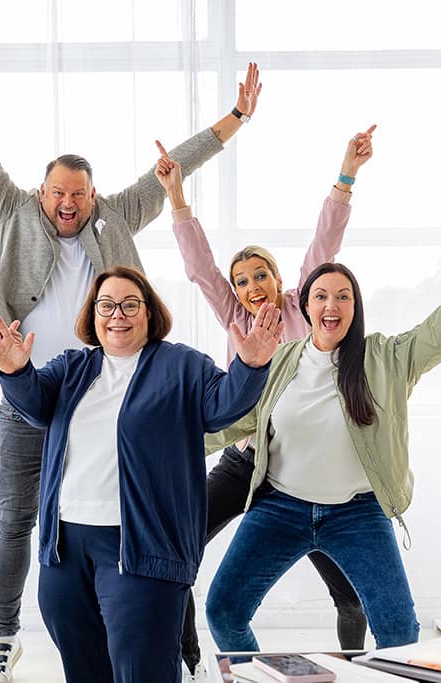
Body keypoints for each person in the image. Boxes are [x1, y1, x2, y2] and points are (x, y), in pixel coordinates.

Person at [0, 23, 262, 681]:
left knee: (149, 517)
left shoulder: (118, 214)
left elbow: (174, 166)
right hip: (36, 388)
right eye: (57, 194)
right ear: (43, 194)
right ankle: (5, 633)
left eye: (78, 194)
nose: (67, 204)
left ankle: (176, 646)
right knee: (18, 518)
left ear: (92, 196)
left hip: (122, 389)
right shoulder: (12, 210)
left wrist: (235, 117)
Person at [0, 266, 282, 683]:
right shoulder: (72, 367)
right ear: (93, 315)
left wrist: (251, 365)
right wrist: (14, 371)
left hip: (142, 547)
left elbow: (222, 407)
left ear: (149, 313)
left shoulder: (181, 365)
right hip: (66, 549)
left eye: (130, 304)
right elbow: (36, 403)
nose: (117, 313)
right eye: (106, 305)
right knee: (85, 671)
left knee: (142, 671)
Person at [203, 214, 441, 652]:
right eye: (321, 296)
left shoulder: (386, 357)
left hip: (358, 515)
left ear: (355, 307)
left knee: (399, 632)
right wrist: (166, 446)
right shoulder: (281, 359)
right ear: (306, 307)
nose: (331, 305)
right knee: (223, 612)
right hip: (280, 507)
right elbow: (233, 421)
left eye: (343, 296)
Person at [154, 126, 375, 671]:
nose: (253, 286)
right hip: (245, 461)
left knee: (348, 593)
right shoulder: (235, 319)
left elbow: (327, 244)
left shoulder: (306, 308)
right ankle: (192, 660)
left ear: (280, 280)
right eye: (243, 280)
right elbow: (200, 268)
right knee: (178, 548)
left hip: (303, 473)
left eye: (261, 275)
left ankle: (351, 663)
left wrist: (347, 173)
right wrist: (177, 197)